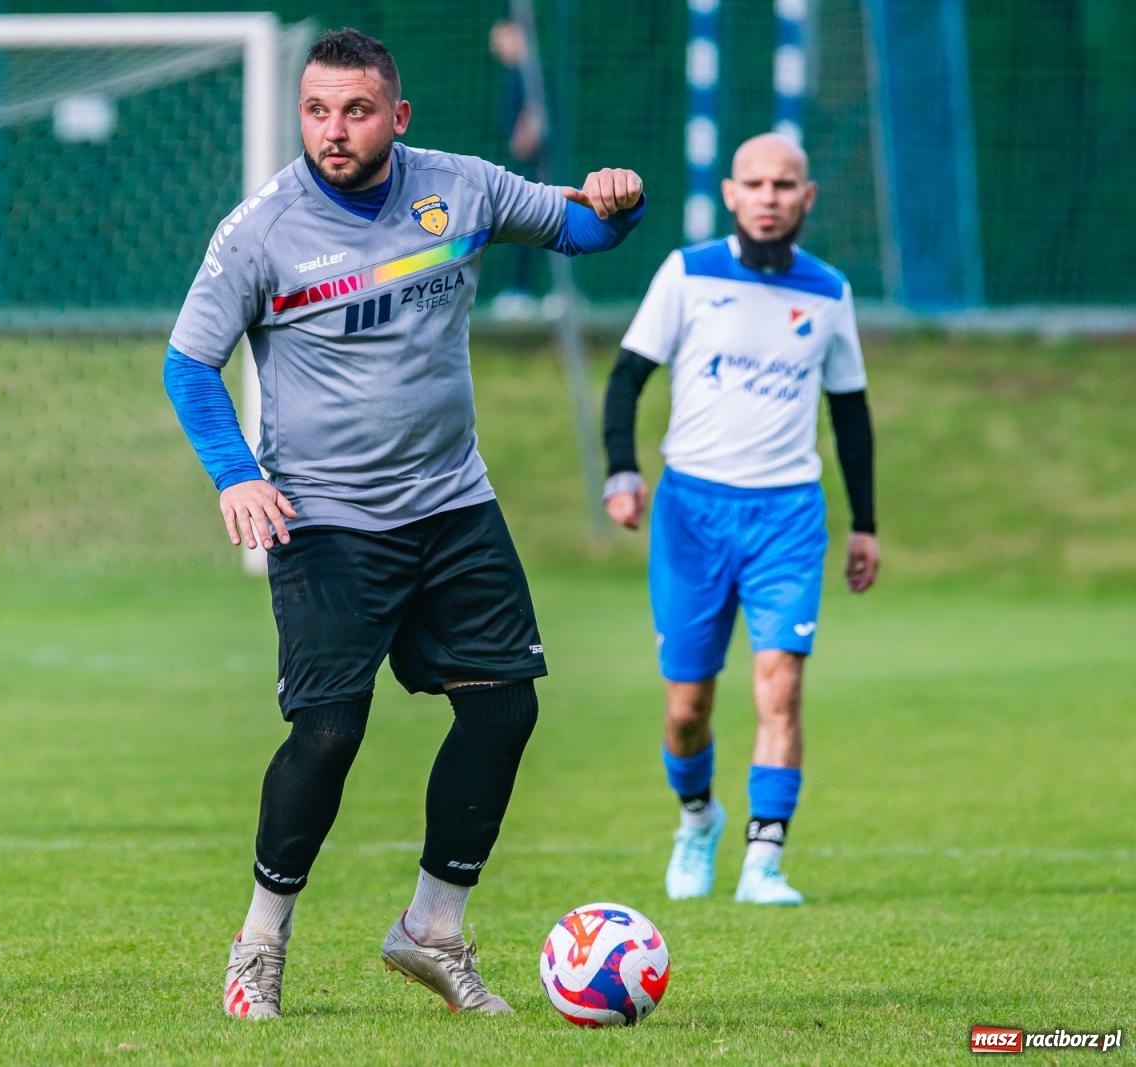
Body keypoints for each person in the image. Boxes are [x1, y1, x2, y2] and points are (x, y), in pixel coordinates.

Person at [164, 28, 644, 1019]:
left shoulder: (460, 187)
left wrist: (615, 200)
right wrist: (233, 473)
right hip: (325, 520)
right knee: (330, 733)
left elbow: (581, 230)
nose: (333, 131)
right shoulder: (259, 230)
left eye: (354, 110)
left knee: (505, 705)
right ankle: (260, 940)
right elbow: (188, 363)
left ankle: (431, 928)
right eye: (316, 110)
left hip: (451, 503)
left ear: (397, 115)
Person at [601, 133, 878, 906]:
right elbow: (626, 379)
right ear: (730, 194)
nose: (768, 196)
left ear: (806, 197)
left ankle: (765, 858)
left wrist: (866, 523)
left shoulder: (830, 291)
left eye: (783, 184)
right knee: (688, 707)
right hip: (691, 515)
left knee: (780, 689)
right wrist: (623, 469)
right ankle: (698, 819)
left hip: (788, 515)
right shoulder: (687, 274)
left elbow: (850, 414)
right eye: (753, 183)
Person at [486, 18, 547, 321]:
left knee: (534, 224)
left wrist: (526, 136)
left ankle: (529, 292)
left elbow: (537, 115)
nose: (495, 46)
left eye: (500, 38)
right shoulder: (515, 73)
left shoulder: (531, 74)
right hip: (522, 166)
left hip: (536, 167)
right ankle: (522, 291)